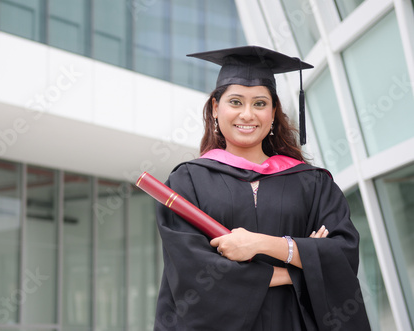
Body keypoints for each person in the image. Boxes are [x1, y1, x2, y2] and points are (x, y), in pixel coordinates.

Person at [153, 46, 371, 331]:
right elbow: (192, 274)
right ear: (216, 108)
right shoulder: (188, 181)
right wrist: (299, 264)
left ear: (273, 112)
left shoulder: (312, 182)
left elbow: (341, 256)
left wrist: (263, 245)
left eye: (259, 103)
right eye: (235, 102)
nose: (247, 114)